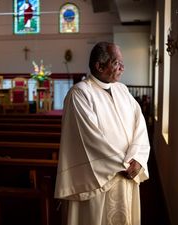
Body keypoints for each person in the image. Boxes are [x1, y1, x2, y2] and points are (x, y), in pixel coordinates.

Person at [54, 42, 150, 225]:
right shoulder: (80, 93)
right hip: (100, 179)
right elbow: (89, 139)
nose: (122, 67)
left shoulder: (122, 90)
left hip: (128, 173)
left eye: (122, 62)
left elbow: (140, 125)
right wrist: (123, 164)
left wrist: (138, 158)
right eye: (117, 62)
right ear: (99, 66)